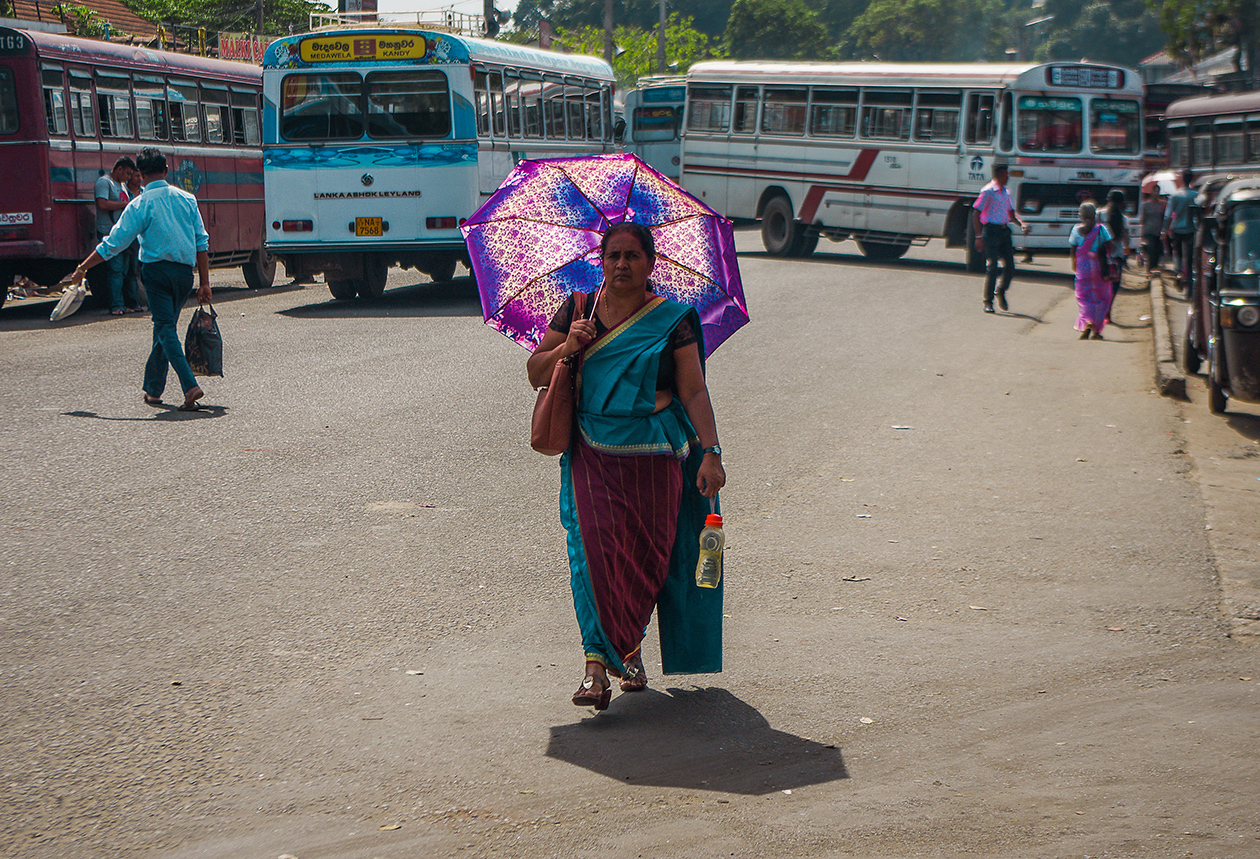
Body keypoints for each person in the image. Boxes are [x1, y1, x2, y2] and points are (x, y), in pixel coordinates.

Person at [527, 222, 726, 711]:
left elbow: (693, 391)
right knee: (592, 556)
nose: (621, 264)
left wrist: (711, 451)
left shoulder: (673, 319)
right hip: (590, 455)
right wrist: (568, 346)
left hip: (654, 462)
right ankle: (596, 668)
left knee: (644, 562)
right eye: (613, 255)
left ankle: (629, 650)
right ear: (601, 260)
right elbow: (534, 371)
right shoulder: (577, 309)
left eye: (632, 256)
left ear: (650, 263)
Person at [69, 148, 211, 411]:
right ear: (167, 171)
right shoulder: (187, 199)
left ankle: (189, 385)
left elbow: (113, 244)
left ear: (141, 175)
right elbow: (201, 243)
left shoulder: (140, 204)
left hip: (156, 273)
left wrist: (82, 268)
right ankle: (153, 390)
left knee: (166, 329)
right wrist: (205, 282)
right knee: (163, 329)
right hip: (183, 275)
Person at [972, 163, 1030, 313]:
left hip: (1004, 232)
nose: (1008, 177)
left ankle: (1001, 289)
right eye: (1005, 174)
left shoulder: (1005, 192)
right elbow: (976, 212)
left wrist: (1021, 224)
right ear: (999, 175)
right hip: (990, 231)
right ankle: (988, 301)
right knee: (992, 267)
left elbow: (1010, 212)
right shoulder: (988, 191)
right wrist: (979, 236)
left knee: (1010, 266)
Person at [90, 156, 135, 316]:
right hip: (109, 232)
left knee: (125, 271)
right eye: (127, 173)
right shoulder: (104, 182)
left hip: (123, 234)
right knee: (115, 271)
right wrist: (124, 205)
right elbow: (101, 204)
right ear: (119, 169)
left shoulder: (122, 185)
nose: (129, 177)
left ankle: (125, 303)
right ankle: (116, 305)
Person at [1069, 201, 1113, 340]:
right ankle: (1096, 330)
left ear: (1081, 215)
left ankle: (1087, 320)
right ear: (1095, 215)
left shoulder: (1076, 230)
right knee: (1102, 297)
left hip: (1083, 267)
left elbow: (1073, 250)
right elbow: (1110, 246)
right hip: (1099, 266)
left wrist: (1074, 264)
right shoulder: (1101, 229)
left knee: (1084, 297)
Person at [119, 165, 146, 314]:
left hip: (138, 239)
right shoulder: (124, 193)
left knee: (134, 271)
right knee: (124, 271)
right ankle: (125, 302)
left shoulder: (144, 193)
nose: (138, 179)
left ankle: (136, 302)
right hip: (128, 235)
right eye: (135, 176)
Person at [1164, 169, 1196, 292]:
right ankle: (1189, 278)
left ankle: (1178, 273)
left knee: (1177, 253)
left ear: (1182, 179)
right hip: (1191, 229)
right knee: (1189, 256)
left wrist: (1164, 229)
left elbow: (1168, 215)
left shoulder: (1175, 196)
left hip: (1177, 228)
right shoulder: (1195, 195)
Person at [1102, 188, 1129, 320]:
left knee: (1100, 285)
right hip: (1117, 257)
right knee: (1114, 286)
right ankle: (1108, 310)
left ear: (1108, 200)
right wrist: (1127, 250)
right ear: (1122, 203)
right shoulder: (1123, 218)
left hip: (1101, 256)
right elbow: (1126, 236)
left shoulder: (1100, 214)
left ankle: (1099, 310)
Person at [1138, 184, 1164, 271]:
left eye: (1158, 191)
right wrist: (1142, 234)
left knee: (1157, 251)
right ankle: (1150, 269)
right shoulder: (1146, 204)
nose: (1156, 193)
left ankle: (1154, 269)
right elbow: (1143, 219)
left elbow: (1163, 217)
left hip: (1158, 231)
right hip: (1149, 230)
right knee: (1151, 250)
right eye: (1154, 191)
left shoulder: (1161, 205)